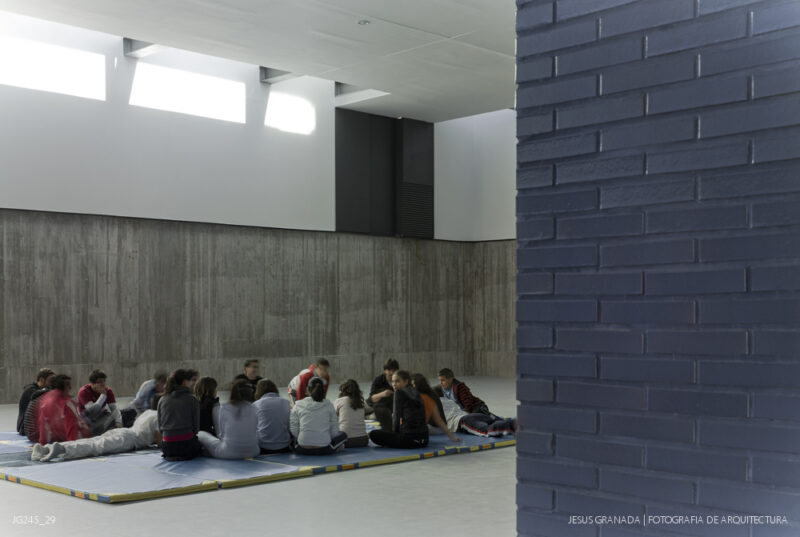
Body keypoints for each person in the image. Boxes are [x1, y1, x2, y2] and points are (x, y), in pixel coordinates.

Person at [33, 395, 163, 462]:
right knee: (96, 447)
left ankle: (48, 448)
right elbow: (158, 440)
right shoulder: (157, 417)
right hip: (129, 439)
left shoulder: (147, 413)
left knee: (93, 441)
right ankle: (62, 448)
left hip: (123, 432)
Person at [198, 380, 260, 460]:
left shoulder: (224, 408)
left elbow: (220, 434)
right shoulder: (254, 407)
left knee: (200, 433)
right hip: (254, 451)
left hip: (228, 453)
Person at [368, 370, 428, 449]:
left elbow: (396, 417)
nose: (394, 384)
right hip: (425, 440)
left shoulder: (399, 393)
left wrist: (394, 435)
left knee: (373, 434)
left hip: (410, 440)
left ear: (406, 382)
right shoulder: (416, 392)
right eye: (392, 381)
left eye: (397, 381)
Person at [289, 377, 346, 455]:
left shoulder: (298, 405)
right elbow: (334, 431)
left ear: (308, 390)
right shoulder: (329, 405)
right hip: (324, 449)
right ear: (323, 390)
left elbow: (293, 430)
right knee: (343, 435)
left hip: (302, 449)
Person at [433, 387, 516, 437]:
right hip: (475, 415)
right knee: (495, 421)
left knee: (487, 431)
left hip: (464, 421)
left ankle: (512, 424)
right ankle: (515, 423)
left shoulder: (434, 405)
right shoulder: (449, 401)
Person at [157, 368, 201, 461]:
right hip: (186, 446)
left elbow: (160, 426)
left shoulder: (162, 399)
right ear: (185, 382)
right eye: (190, 380)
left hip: (167, 448)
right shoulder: (192, 399)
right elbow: (196, 428)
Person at [36, 374, 91, 445]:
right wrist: (72, 446)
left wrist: (42, 444)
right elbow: (72, 426)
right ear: (63, 387)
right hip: (75, 440)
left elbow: (43, 426)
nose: (70, 388)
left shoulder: (45, 400)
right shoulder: (67, 403)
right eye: (68, 385)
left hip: (55, 440)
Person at [410, 374, 461, 444]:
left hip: (436, 428)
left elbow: (438, 420)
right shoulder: (429, 393)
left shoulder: (426, 397)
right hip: (436, 427)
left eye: (412, 385)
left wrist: (452, 437)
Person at [252, 379, 291, 454]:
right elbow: (290, 426)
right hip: (284, 446)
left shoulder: (255, 405)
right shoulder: (286, 402)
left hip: (263, 446)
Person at [77, 369, 122, 435]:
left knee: (119, 417)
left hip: (100, 415)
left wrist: (118, 422)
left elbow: (114, 409)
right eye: (99, 382)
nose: (103, 384)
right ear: (92, 384)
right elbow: (92, 411)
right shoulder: (84, 392)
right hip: (86, 418)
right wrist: (103, 395)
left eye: (104, 381)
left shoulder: (108, 391)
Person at [17, 368, 54, 435]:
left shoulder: (40, 389)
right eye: (50, 381)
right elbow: (37, 395)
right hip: (24, 427)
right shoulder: (30, 390)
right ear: (41, 380)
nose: (51, 383)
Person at [334, 379, 367, 448]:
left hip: (346, 440)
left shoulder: (339, 401)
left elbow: (333, 418)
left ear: (342, 390)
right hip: (363, 440)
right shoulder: (361, 403)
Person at [367, 358, 398, 430]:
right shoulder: (378, 379)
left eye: (394, 370)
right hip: (373, 404)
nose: (391, 372)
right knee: (357, 407)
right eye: (389, 370)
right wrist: (383, 394)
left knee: (376, 416)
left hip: (385, 408)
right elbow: (372, 398)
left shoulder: (400, 379)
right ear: (385, 371)